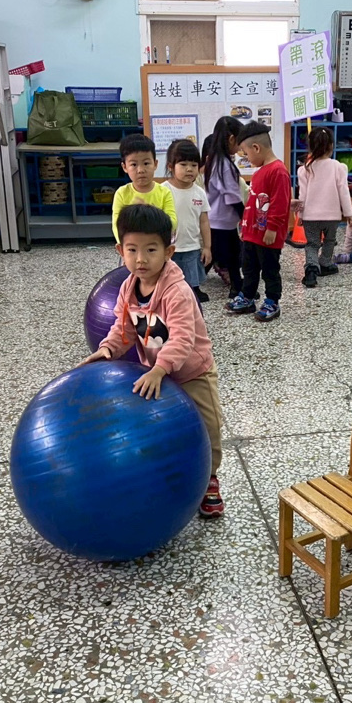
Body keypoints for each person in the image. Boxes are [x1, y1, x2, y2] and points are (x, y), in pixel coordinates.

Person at [79, 204, 226, 518]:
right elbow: (122, 329)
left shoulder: (177, 292)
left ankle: (210, 478)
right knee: (160, 429)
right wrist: (107, 350)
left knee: (207, 426)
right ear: (120, 250)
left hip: (193, 372)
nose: (141, 259)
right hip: (157, 370)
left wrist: (160, 369)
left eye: (150, 250)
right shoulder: (128, 288)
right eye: (132, 250)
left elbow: (183, 340)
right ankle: (168, 473)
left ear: (168, 252)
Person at [226, 122, 290, 322]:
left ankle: (272, 301)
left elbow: (280, 203)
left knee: (270, 269)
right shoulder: (260, 171)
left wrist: (272, 228)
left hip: (268, 235)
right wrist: (244, 226)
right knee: (249, 268)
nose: (246, 158)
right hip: (252, 234)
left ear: (256, 148)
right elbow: (254, 202)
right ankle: (247, 296)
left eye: (246, 154)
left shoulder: (278, 171)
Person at [294, 127, 352, 288]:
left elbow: (302, 196)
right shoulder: (338, 167)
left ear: (310, 147)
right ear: (331, 146)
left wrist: (300, 216)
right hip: (332, 216)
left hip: (310, 216)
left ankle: (311, 269)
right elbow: (344, 192)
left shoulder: (304, 169)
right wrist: (349, 214)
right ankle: (326, 263)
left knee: (312, 244)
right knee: (330, 240)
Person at [164, 139, 212, 303]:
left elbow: (204, 221)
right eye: (183, 164)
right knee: (169, 276)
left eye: (194, 165)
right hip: (169, 246)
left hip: (192, 245)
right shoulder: (163, 190)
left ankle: (194, 289)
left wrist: (207, 247)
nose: (189, 169)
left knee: (192, 272)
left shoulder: (199, 192)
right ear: (171, 166)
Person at [203, 116, 245, 297]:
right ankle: (190, 286)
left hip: (218, 219)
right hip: (222, 220)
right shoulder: (224, 164)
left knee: (226, 255)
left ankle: (237, 286)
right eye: (240, 141)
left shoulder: (216, 160)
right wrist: (244, 215)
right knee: (228, 255)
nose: (241, 146)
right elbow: (231, 196)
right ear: (232, 139)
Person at [111, 134, 177, 245]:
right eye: (134, 164)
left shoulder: (164, 192)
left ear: (155, 164)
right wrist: (125, 245)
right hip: (131, 248)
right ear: (124, 167)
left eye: (146, 163)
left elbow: (172, 222)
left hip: (156, 247)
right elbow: (117, 225)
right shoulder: (122, 193)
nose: (141, 170)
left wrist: (148, 214)